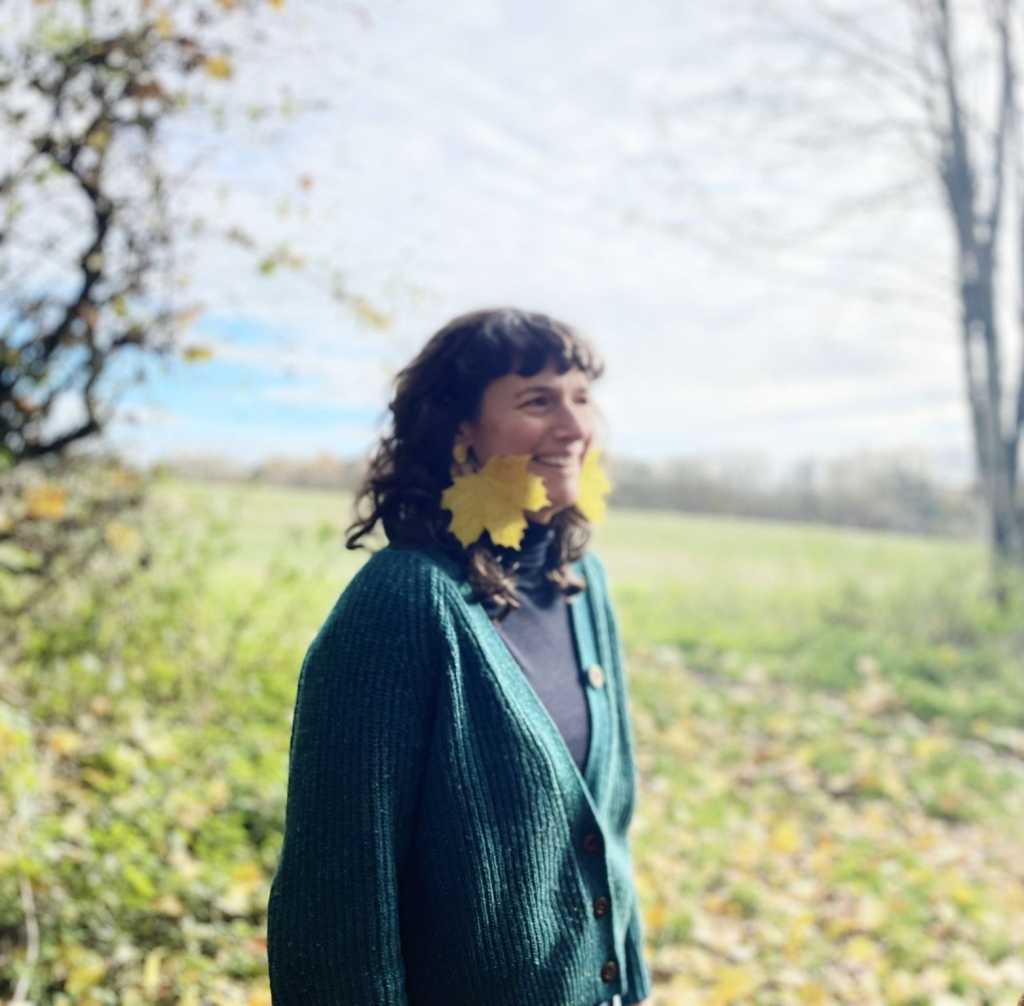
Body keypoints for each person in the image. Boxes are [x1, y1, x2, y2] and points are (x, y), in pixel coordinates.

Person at [267, 308, 654, 1006]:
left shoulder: (581, 584)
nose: (574, 428)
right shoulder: (403, 607)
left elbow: (609, 853)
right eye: (538, 401)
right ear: (460, 431)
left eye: (581, 397)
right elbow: (337, 907)